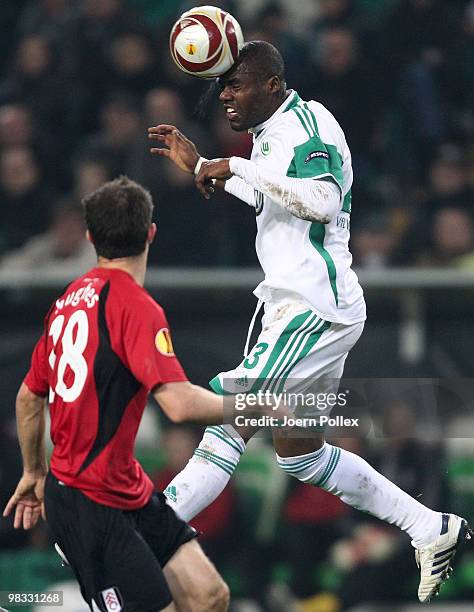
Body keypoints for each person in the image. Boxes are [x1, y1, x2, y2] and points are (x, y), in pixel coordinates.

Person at [148, 41, 471, 604]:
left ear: (271, 84)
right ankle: (429, 526)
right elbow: (271, 198)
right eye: (221, 85)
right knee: (300, 453)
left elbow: (321, 201)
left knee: (228, 422)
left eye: (236, 84)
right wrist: (205, 167)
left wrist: (238, 165)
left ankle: (140, 530)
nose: (223, 93)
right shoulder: (269, 135)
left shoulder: (308, 122)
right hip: (301, 307)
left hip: (311, 308)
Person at [2, 176, 232, 612]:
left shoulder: (68, 299)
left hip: (124, 488)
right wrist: (256, 408)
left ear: (90, 237)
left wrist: (33, 472)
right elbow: (179, 405)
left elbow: (29, 399)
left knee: (209, 596)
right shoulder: (136, 307)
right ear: (151, 233)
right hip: (88, 505)